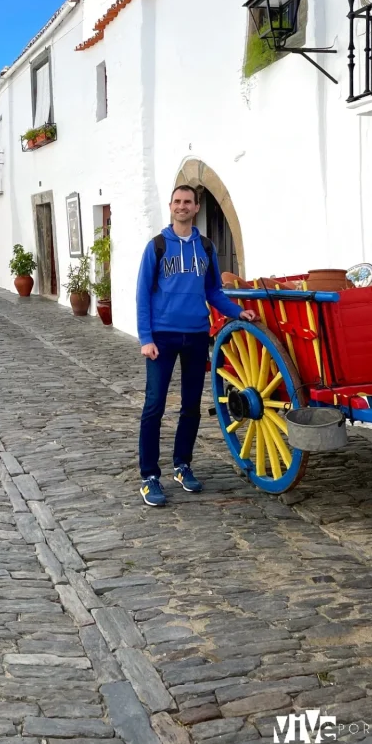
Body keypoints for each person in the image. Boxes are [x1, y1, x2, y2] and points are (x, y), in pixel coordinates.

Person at [136, 185, 257, 506]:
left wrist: (237, 311)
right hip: (162, 337)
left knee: (190, 406)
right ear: (171, 206)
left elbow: (214, 291)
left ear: (196, 207)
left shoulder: (205, 246)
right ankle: (149, 476)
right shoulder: (158, 246)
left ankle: (182, 465)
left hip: (196, 335)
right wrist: (146, 338)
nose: (181, 206)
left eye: (187, 202)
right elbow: (142, 294)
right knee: (154, 406)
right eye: (177, 201)